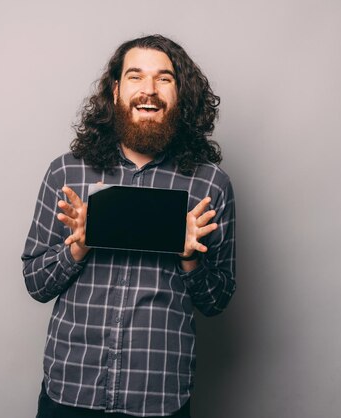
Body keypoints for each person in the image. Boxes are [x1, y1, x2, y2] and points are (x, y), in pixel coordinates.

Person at [22, 34, 236, 418]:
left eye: (164, 78)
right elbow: (36, 283)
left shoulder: (209, 185)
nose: (149, 91)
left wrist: (190, 258)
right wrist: (79, 245)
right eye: (136, 77)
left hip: (158, 397)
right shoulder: (68, 172)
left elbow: (217, 301)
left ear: (181, 94)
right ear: (117, 90)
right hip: (72, 390)